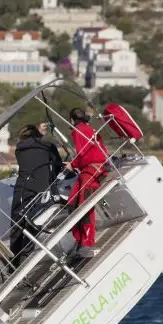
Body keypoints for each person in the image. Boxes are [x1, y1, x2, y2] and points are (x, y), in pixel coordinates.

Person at [9, 122, 63, 267]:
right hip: (40, 189)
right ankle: (25, 260)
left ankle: (13, 263)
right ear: (38, 135)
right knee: (33, 223)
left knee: (17, 225)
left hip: (21, 189)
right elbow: (57, 165)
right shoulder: (48, 146)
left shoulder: (19, 149)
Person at [66, 107, 109, 258]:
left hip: (91, 170)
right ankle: (79, 240)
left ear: (72, 119)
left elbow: (82, 153)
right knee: (72, 202)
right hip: (92, 169)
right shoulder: (89, 129)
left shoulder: (79, 131)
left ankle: (86, 242)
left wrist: (72, 165)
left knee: (84, 205)